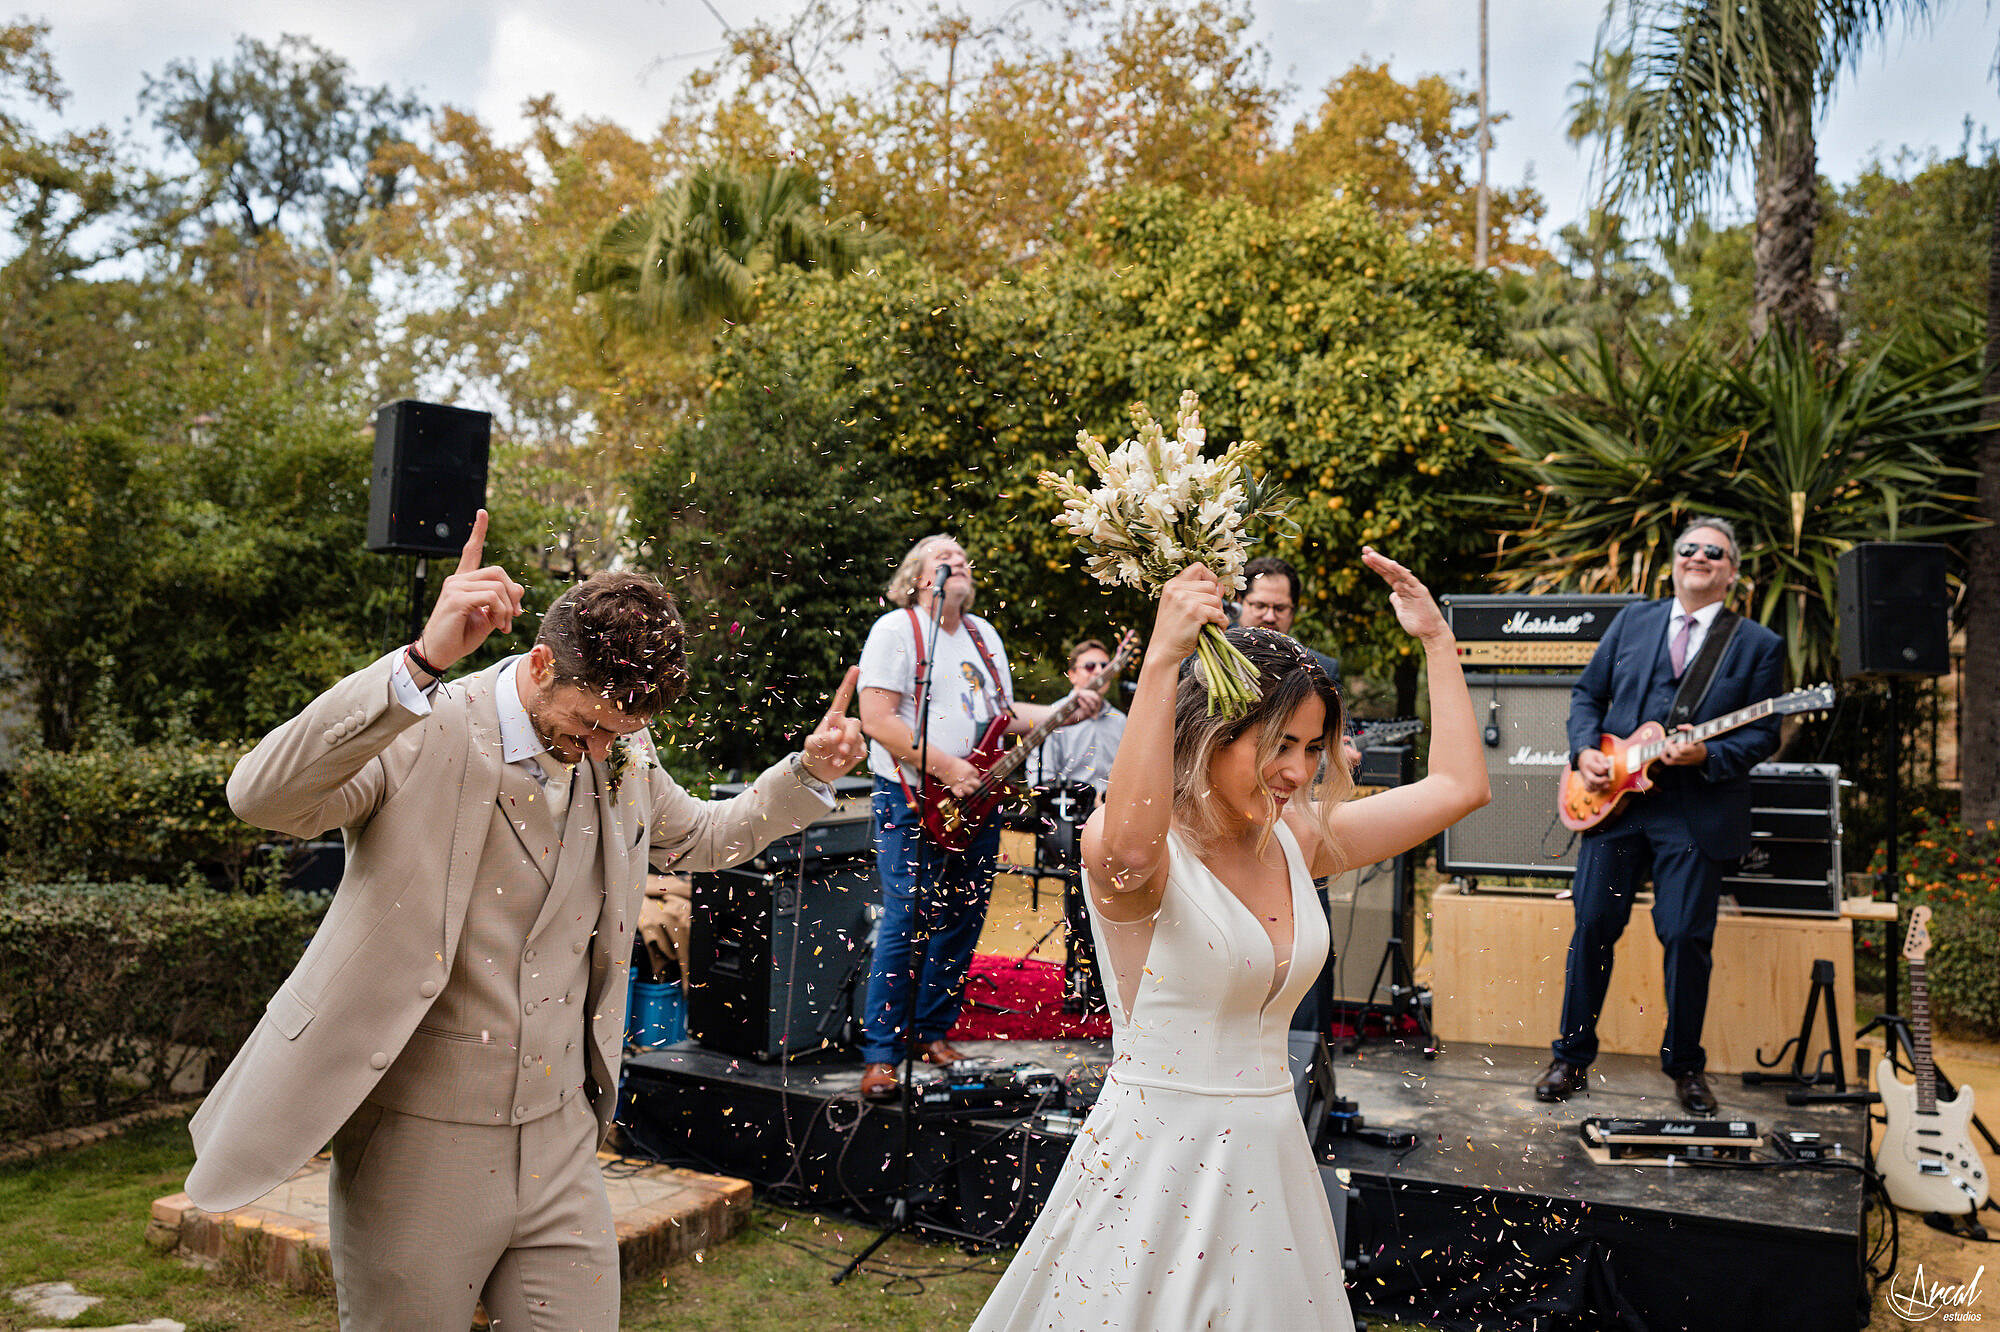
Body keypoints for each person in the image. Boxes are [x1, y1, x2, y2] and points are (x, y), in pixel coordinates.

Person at [183, 511, 865, 1330]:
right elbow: (262, 797)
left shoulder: (620, 754)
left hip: (561, 1138)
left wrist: (805, 775)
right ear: (542, 664)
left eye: (622, 733)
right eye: (592, 724)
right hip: (417, 1147)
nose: (602, 746)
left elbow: (703, 839)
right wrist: (420, 662)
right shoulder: (422, 725)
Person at [970, 549, 1488, 1331]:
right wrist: (1161, 661)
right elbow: (1134, 848)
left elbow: (1459, 789)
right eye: (1279, 744)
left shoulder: (1295, 839)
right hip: (1157, 1168)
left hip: (1271, 1161)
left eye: (1312, 749)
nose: (1298, 770)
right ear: (1213, 731)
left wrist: (1437, 642)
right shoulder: (1135, 848)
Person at [1536, 518, 1783, 1117]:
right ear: (1673, 562)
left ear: (1732, 571)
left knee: (1686, 939)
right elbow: (1587, 695)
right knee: (1592, 926)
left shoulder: (1756, 643)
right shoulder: (1634, 621)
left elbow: (1765, 734)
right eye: (1689, 548)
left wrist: (1709, 753)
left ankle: (1685, 1067)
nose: (1700, 556)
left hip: (1693, 810)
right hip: (1615, 805)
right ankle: (1570, 1055)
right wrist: (1585, 751)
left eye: (1714, 552)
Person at [853, 534, 1101, 1099]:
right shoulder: (897, 631)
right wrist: (945, 766)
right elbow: (877, 718)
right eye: (946, 559)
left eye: (963, 559)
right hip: (913, 797)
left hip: (978, 798)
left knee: (964, 918)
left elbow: (1003, 716)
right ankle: (881, 1053)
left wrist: (1065, 712)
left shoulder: (983, 636)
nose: (960, 564)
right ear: (918, 578)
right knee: (907, 918)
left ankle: (930, 1031)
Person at [1029, 637, 1128, 795]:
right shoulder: (1053, 715)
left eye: (1104, 666)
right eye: (1089, 666)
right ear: (1072, 675)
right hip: (1067, 811)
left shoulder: (1121, 721)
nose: (1099, 671)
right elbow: (1040, 778)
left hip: (1113, 811)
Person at [1239, 554, 1340, 682]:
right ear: (1239, 601)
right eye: (1260, 606)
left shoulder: (1322, 670)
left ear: (1293, 610)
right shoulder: (1211, 650)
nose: (1270, 617)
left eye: (1280, 608)